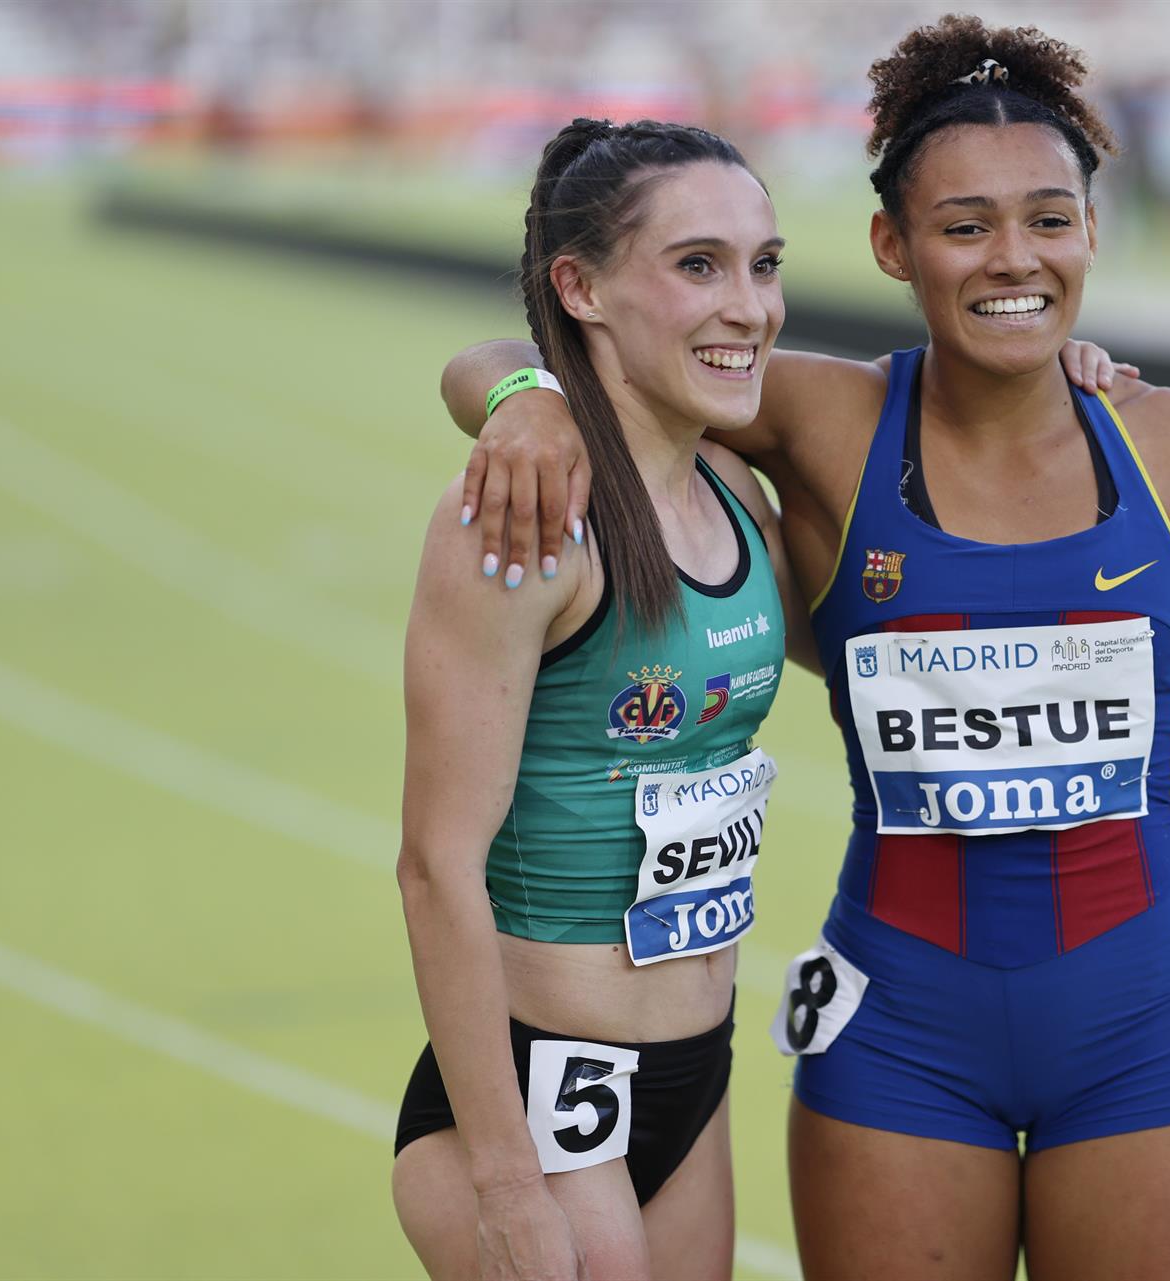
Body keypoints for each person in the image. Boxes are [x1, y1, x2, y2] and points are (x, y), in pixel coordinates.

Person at [441, 18, 1170, 1280]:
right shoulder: (822, 416)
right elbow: (553, 357)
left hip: (1148, 1028)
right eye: (966, 225)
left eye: (1049, 219)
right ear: (894, 245)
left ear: (1093, 227)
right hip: (899, 1041)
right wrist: (525, 404)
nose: (1014, 259)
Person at [392, 117, 812, 1281]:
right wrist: (505, 1182)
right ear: (580, 286)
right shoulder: (524, 517)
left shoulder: (735, 489)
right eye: (697, 265)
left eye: (763, 263)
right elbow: (436, 865)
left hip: (692, 1069)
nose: (749, 305)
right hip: (542, 1094)